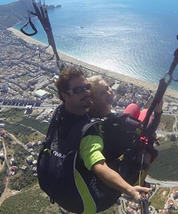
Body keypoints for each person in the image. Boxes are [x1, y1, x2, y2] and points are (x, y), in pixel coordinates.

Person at [38, 66, 150, 214]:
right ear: (65, 95)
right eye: (79, 90)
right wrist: (130, 190)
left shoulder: (60, 113)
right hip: (89, 202)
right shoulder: (88, 131)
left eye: (87, 87)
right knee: (147, 147)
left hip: (60, 190)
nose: (86, 92)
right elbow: (99, 166)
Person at [87, 75, 163, 186]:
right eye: (101, 93)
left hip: (110, 149)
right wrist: (158, 112)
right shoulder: (119, 120)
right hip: (123, 163)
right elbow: (148, 131)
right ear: (93, 99)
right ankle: (140, 179)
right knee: (146, 112)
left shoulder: (91, 114)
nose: (108, 93)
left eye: (107, 88)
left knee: (133, 107)